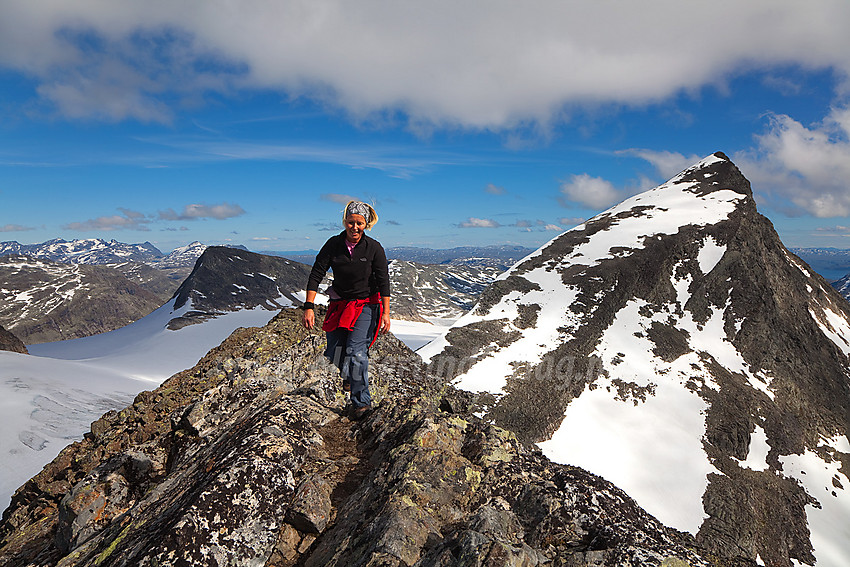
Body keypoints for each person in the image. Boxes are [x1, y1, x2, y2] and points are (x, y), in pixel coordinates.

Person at [302, 200, 391, 420]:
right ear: (344, 222)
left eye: (359, 223)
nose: (354, 227)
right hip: (340, 304)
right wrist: (309, 306)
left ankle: (362, 404)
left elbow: (383, 282)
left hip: (367, 304)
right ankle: (350, 376)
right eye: (351, 222)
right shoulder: (333, 244)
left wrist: (387, 313)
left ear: (366, 224)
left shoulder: (374, 248)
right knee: (334, 351)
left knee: (356, 351)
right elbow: (316, 274)